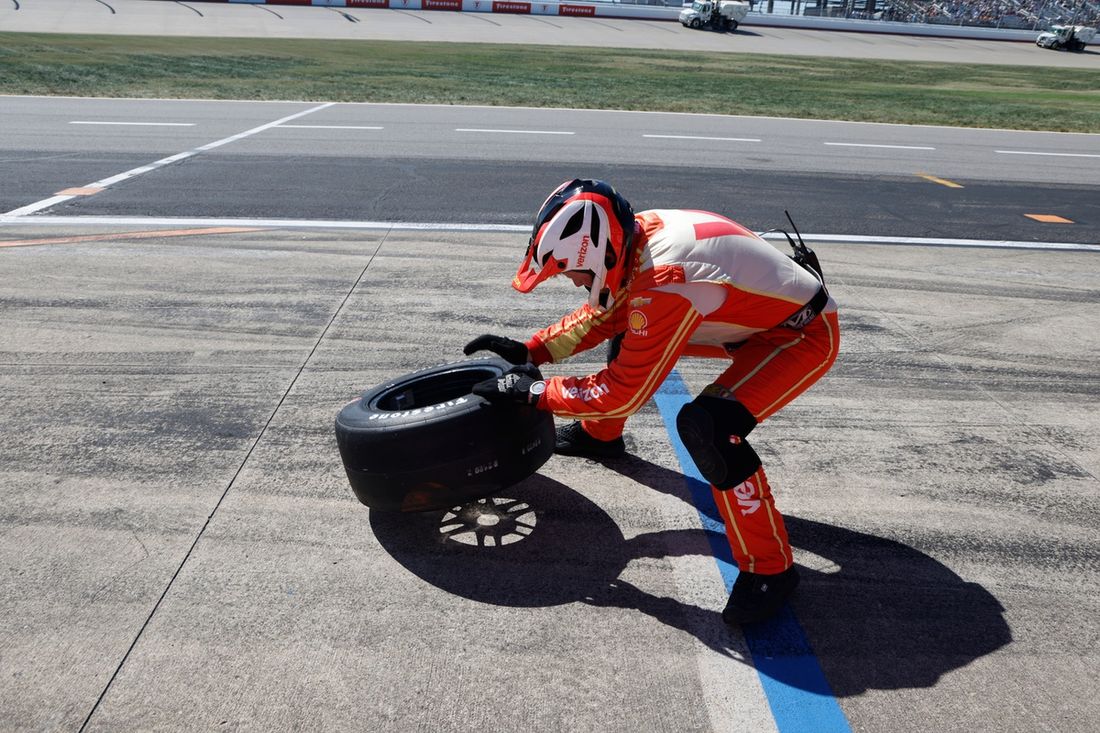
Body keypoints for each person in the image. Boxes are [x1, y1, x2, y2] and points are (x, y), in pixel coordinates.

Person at [465, 179, 840, 625]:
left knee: (711, 428)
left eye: (569, 271)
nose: (570, 280)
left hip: (799, 337)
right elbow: (610, 313)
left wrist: (533, 394)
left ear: (596, 254)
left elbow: (624, 392)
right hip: (748, 319)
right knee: (634, 329)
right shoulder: (635, 237)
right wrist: (532, 351)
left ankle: (771, 570)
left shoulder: (667, 278)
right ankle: (599, 437)